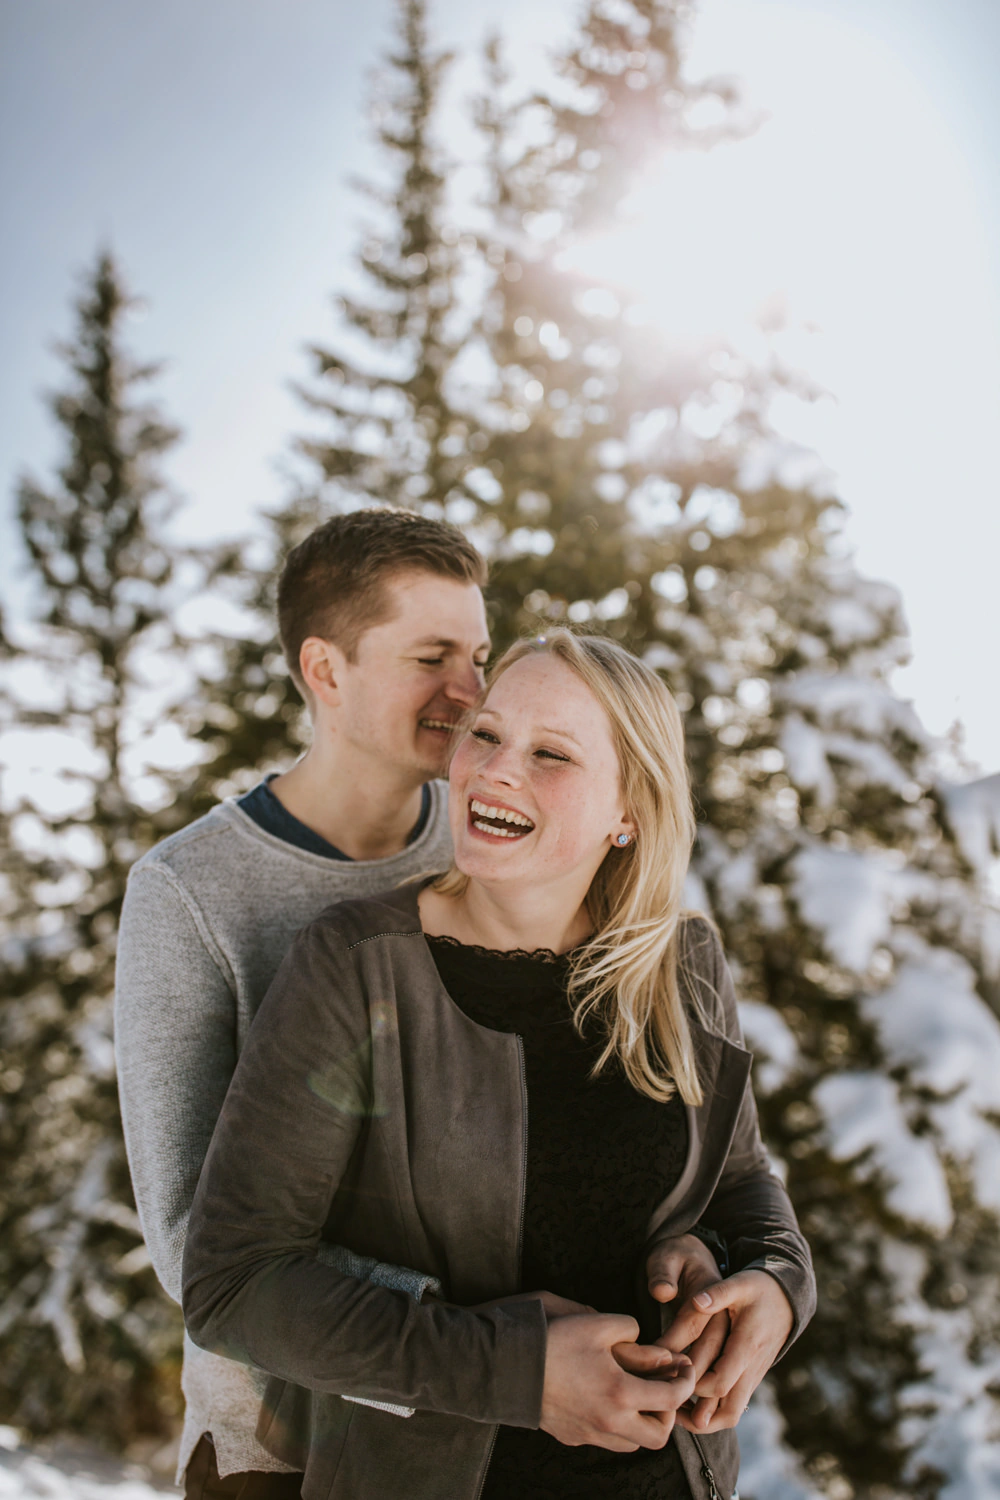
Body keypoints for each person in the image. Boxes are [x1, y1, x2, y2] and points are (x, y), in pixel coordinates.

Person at [115, 514, 726, 1499]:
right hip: (280, 1438)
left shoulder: (492, 826)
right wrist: (495, 1341)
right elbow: (198, 1247)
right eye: (431, 656)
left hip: (514, 1433)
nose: (472, 694)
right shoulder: (191, 892)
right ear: (325, 670)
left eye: (478, 656)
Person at [182, 629, 816, 1500]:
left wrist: (778, 1287)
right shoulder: (358, 965)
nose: (496, 769)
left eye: (551, 753)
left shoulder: (683, 964)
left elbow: (743, 1185)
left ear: (628, 811)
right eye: (485, 733)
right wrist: (513, 1372)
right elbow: (236, 1284)